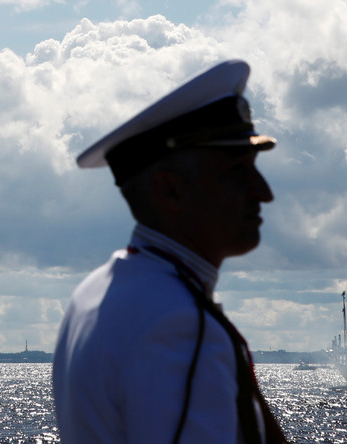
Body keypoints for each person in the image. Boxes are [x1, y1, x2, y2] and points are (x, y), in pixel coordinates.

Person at [52, 60, 288, 444]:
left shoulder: (93, 293)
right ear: (169, 191)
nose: (264, 192)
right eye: (238, 173)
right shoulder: (180, 325)